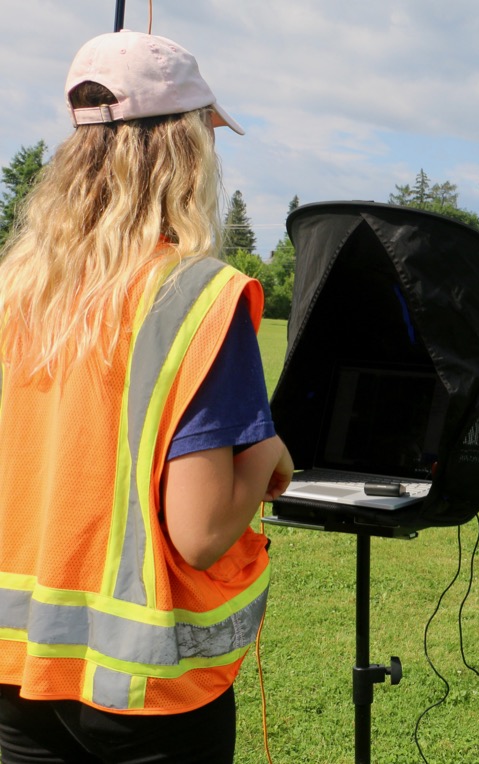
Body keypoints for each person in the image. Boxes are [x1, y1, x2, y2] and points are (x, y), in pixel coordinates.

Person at [0, 30, 293, 763]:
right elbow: (198, 533)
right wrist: (265, 456)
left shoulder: (15, 291)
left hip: (13, 678)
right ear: (186, 150)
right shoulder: (201, 296)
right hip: (144, 696)